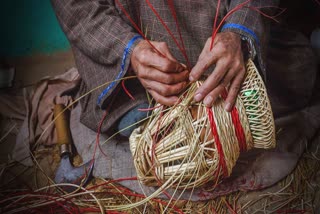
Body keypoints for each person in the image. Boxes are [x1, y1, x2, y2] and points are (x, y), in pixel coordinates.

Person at [51, 0, 319, 195]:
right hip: (132, 48)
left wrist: (239, 31)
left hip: (223, 31)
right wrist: (129, 49)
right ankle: (140, 106)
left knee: (296, 77)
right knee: (133, 119)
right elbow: (74, 6)